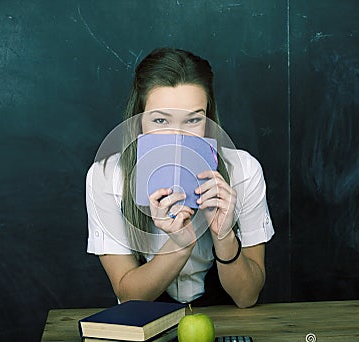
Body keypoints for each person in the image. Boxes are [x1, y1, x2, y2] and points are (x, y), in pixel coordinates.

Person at [86, 48, 274, 308]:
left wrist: (224, 236)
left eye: (192, 120)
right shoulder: (106, 177)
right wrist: (180, 245)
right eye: (161, 120)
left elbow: (247, 296)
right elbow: (129, 296)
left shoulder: (244, 170)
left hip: (225, 321)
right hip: (146, 324)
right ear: (138, 120)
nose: (177, 138)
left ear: (208, 119)